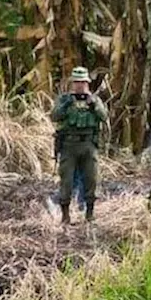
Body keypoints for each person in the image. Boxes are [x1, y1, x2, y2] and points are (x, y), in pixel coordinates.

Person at [51, 67, 108, 223]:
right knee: (66, 180)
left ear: (87, 83)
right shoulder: (64, 99)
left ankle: (89, 213)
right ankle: (65, 215)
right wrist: (66, 105)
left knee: (91, 179)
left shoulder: (95, 100)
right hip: (69, 145)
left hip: (89, 145)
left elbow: (104, 117)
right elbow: (54, 117)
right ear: (72, 83)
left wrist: (94, 104)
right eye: (77, 82)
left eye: (82, 82)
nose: (80, 85)